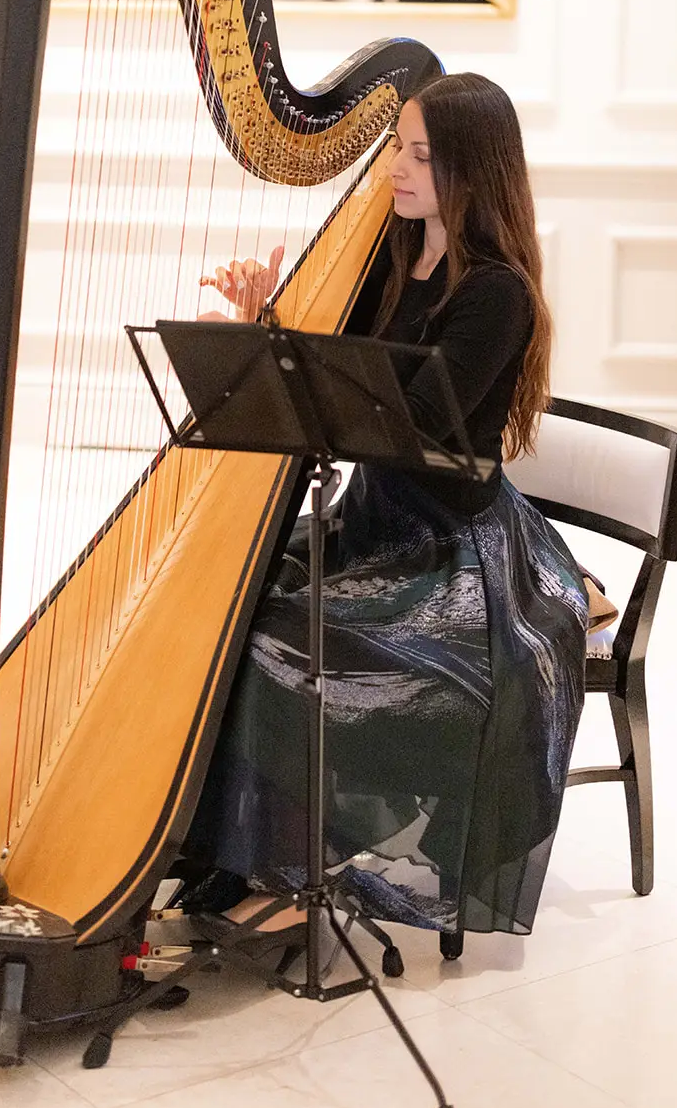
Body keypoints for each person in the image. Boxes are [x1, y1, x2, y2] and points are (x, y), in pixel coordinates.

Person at [186, 73, 589, 940]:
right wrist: (267, 326)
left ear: (472, 171)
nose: (393, 172)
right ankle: (226, 850)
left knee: (277, 641)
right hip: (369, 521)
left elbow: (406, 423)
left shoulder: (496, 293)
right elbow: (331, 383)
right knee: (222, 605)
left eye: (417, 155)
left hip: (450, 553)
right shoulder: (386, 256)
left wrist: (309, 374)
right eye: (394, 148)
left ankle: (294, 871)